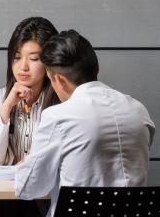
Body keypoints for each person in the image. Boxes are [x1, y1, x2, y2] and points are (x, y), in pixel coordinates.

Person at [15, 29, 155, 217]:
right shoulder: (139, 111)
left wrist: (27, 163)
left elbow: (28, 188)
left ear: (59, 80)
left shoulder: (58, 117)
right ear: (96, 68)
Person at [0, 17, 59, 217]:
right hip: (5, 196)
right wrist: (7, 107)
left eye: (34, 58)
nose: (23, 67)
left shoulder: (61, 103)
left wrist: (29, 165)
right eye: (17, 57)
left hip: (45, 197)